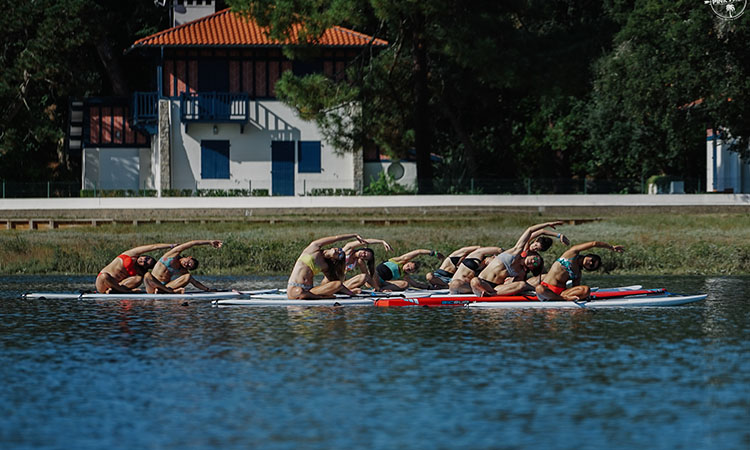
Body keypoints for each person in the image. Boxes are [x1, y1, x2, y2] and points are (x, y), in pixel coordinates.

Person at [470, 221, 563, 297]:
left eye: (535, 264)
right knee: (474, 281)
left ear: (531, 268)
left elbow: (536, 278)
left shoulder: (520, 272)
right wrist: (549, 225)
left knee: (522, 284)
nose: (533, 261)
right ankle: (486, 293)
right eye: (535, 258)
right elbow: (530, 230)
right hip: (482, 281)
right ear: (531, 254)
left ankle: (490, 295)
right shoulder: (516, 252)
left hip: (497, 288)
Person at [535, 241, 625, 301]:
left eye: (592, 266)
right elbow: (594, 243)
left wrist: (584, 296)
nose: (590, 263)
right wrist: (611, 247)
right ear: (589, 255)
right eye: (592, 260)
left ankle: (561, 298)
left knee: (586, 290)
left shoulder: (578, 273)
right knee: (539, 288)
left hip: (562, 292)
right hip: (546, 289)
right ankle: (563, 299)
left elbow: (575, 289)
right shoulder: (571, 254)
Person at [287, 233, 366, 299]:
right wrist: (353, 235)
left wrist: (351, 293)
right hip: (295, 287)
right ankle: (322, 297)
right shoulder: (314, 248)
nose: (339, 251)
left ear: (335, 259)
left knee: (337, 284)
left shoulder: (326, 266)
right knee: (299, 292)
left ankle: (318, 296)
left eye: (340, 255)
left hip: (309, 290)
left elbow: (335, 284)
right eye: (340, 250)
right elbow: (336, 238)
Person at [145, 240, 223, 294]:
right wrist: (209, 242)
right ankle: (170, 292)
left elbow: (195, 282)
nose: (186, 264)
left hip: (165, 287)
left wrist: (208, 289)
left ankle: (165, 291)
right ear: (189, 257)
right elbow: (192, 243)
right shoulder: (172, 254)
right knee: (147, 275)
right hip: (152, 286)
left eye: (188, 266)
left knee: (188, 276)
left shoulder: (182, 271)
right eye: (189, 262)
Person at [96, 243, 175, 293]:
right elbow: (153, 247)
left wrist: (166, 289)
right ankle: (125, 291)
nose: (143, 260)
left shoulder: (139, 271)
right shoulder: (131, 254)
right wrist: (171, 246)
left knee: (138, 279)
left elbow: (153, 279)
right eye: (146, 258)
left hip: (116, 286)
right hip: (103, 283)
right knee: (104, 276)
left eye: (145, 263)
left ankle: (116, 291)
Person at [328, 237, 392, 293]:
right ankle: (344, 290)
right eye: (364, 252)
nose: (363, 255)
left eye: (365, 257)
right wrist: (381, 241)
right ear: (363, 248)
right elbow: (365, 241)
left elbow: (367, 277)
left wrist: (379, 289)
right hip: (330, 279)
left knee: (363, 277)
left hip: (340, 282)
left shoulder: (359, 261)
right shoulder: (348, 250)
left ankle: (344, 290)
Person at [374, 248, 444, 291]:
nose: (407, 268)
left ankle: (381, 289)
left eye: (410, 270)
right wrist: (434, 253)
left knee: (405, 284)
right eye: (408, 265)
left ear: (412, 272)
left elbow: (416, 285)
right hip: (373, 277)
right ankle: (378, 288)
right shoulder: (399, 260)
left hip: (379, 283)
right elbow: (418, 252)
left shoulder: (404, 275)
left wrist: (432, 288)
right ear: (407, 262)